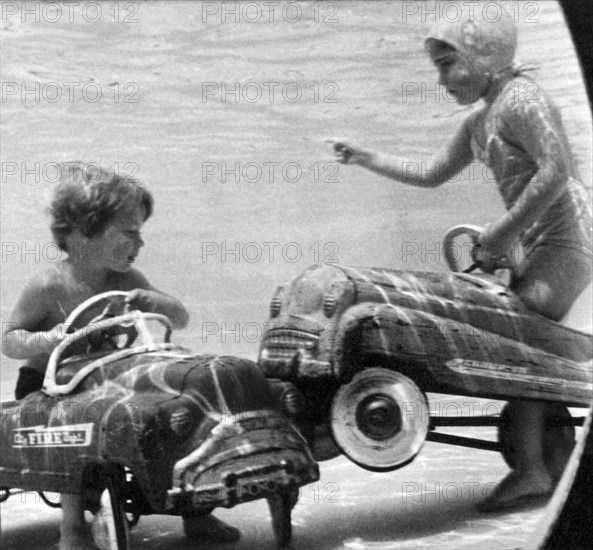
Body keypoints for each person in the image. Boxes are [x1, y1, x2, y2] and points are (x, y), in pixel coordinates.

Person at [328, 5, 592, 512]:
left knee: (523, 337)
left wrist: (501, 231)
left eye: (449, 64)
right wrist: (366, 157)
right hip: (538, 242)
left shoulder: (523, 98)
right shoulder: (480, 120)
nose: (442, 79)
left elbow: (557, 171)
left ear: (486, 54)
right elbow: (429, 173)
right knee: (517, 334)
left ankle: (533, 470)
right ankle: (541, 454)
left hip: (571, 238)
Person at [1, 163, 239, 548]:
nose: (140, 244)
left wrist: (156, 300)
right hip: (50, 386)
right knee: (68, 435)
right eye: (131, 232)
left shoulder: (130, 281)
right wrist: (50, 338)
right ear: (84, 232)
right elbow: (10, 341)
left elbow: (178, 318)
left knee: (172, 415)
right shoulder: (49, 285)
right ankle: (72, 528)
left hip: (107, 383)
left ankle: (197, 513)